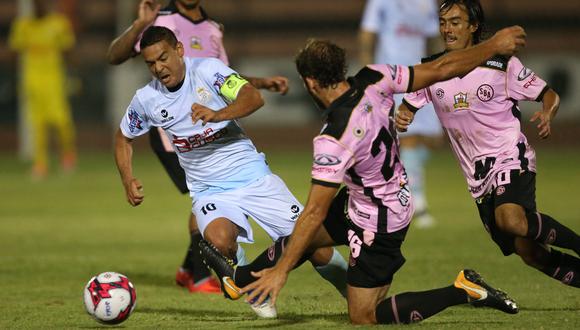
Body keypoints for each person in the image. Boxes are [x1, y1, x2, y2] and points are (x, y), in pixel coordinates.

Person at [199, 24, 527, 324]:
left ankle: (463, 289)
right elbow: (441, 68)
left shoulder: (333, 138)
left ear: (310, 83)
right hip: (367, 197)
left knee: (364, 315)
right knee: (304, 238)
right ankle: (239, 281)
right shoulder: (376, 77)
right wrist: (493, 46)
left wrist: (281, 272)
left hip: (381, 220)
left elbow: (315, 211)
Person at [114, 26, 348, 318]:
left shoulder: (208, 71)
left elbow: (253, 98)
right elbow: (123, 137)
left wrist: (218, 114)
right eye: (150, 63)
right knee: (218, 240)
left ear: (179, 51)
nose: (159, 68)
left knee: (313, 245)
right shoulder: (147, 99)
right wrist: (127, 179)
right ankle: (249, 286)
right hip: (209, 190)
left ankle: (352, 294)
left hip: (253, 177)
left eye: (163, 58)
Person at [107, 0, 292, 294]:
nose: (158, 65)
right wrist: (140, 25)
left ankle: (193, 269)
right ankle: (201, 273)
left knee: (211, 198)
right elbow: (114, 56)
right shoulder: (160, 20)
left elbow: (226, 76)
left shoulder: (212, 28)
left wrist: (262, 83)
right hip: (176, 132)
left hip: (214, 126)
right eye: (152, 62)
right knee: (205, 190)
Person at [396, 0, 580, 288]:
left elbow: (549, 93)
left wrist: (547, 112)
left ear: (473, 26)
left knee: (512, 220)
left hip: (509, 157)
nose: (447, 29)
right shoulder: (434, 70)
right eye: (443, 22)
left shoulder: (502, 65)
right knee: (528, 252)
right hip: (477, 177)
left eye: (455, 22)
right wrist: (404, 114)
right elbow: (409, 104)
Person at [359, 0, 443, 228]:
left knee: (432, 140)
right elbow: (367, 35)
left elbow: (433, 38)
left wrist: (442, 68)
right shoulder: (381, 1)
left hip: (420, 75)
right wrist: (368, 73)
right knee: (409, 138)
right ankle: (417, 203)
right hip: (392, 76)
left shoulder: (426, 3)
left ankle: (393, 189)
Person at [8, 0, 77, 179]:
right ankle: (40, 164)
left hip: (54, 80)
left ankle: (68, 155)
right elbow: (15, 50)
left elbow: (69, 49)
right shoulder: (23, 25)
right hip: (32, 81)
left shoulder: (59, 23)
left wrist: (72, 75)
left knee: (61, 121)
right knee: (37, 125)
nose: (39, 6)